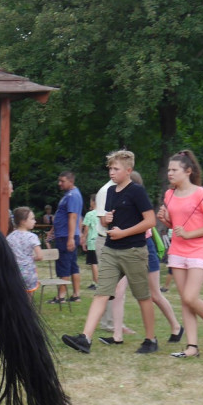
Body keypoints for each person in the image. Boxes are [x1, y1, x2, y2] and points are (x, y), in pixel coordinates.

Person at [62, 150, 158, 355]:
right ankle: (85, 339)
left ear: (128, 170)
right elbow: (108, 218)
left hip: (134, 251)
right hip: (111, 250)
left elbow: (150, 221)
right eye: (110, 168)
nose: (111, 172)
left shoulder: (137, 191)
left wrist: (124, 233)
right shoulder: (112, 191)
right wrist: (106, 220)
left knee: (142, 296)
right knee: (101, 293)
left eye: (116, 169)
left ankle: (151, 339)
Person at [98, 172, 183, 347]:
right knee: (118, 291)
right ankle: (117, 334)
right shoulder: (120, 199)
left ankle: (176, 326)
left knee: (154, 294)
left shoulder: (137, 200)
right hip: (123, 249)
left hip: (144, 249)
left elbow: (147, 224)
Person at [157, 149, 203, 358]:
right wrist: (166, 220)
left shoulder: (201, 194)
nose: (170, 173)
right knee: (184, 300)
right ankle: (192, 347)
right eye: (169, 170)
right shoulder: (169, 194)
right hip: (178, 249)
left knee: (190, 296)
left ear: (188, 171)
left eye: (174, 170)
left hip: (199, 248)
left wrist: (189, 234)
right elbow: (176, 224)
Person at [49, 171, 83, 303]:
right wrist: (53, 230)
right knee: (73, 265)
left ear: (71, 181)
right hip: (66, 234)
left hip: (66, 236)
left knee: (63, 265)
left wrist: (70, 238)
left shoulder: (73, 196)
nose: (60, 183)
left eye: (62, 181)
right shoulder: (69, 195)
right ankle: (76, 295)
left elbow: (73, 217)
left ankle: (61, 296)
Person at [7, 206, 43, 297]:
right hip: (29, 273)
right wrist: (31, 258)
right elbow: (40, 256)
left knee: (15, 297)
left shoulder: (10, 237)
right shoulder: (32, 237)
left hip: (14, 273)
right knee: (28, 298)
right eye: (32, 219)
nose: (35, 221)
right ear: (23, 221)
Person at [80, 196, 100, 289]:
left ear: (93, 202)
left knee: (93, 263)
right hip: (101, 240)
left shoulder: (90, 214)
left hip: (92, 241)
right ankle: (94, 281)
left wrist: (83, 239)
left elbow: (86, 229)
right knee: (99, 262)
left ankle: (96, 283)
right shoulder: (103, 213)